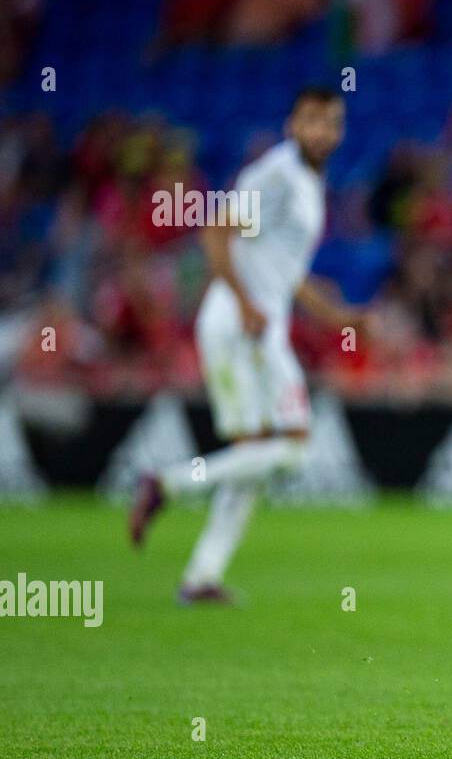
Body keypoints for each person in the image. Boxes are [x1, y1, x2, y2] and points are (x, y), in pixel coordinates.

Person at [130, 86, 371, 604]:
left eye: (331, 122)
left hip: (261, 325)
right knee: (290, 449)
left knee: (264, 455)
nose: (322, 132)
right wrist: (243, 302)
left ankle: (200, 577)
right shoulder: (277, 173)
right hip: (242, 325)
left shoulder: (308, 181)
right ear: (292, 125)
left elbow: (287, 271)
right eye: (312, 121)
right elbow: (214, 231)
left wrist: (336, 314)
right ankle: (166, 484)